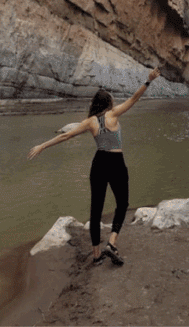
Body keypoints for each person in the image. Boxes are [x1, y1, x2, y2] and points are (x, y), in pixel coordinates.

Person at [28, 67, 161, 265]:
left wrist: (42, 146)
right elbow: (134, 98)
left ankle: (96, 253)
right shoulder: (113, 114)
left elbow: (66, 135)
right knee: (122, 204)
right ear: (108, 102)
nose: (114, 101)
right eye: (112, 98)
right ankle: (112, 243)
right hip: (116, 163)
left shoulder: (90, 121)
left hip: (99, 163)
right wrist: (148, 80)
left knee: (96, 209)